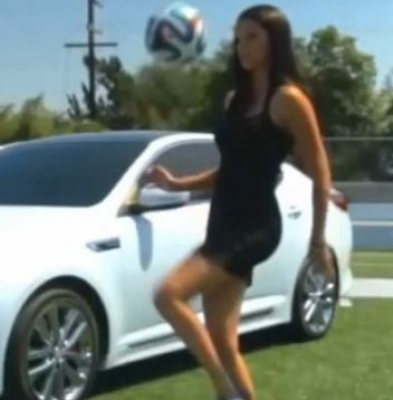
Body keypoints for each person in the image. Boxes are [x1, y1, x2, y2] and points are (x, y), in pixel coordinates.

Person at [144, 4, 335, 400]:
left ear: (274, 41)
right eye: (237, 38)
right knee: (223, 340)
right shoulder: (234, 99)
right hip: (222, 220)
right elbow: (229, 168)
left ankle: (223, 390)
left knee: (168, 295)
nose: (241, 46)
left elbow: (321, 174)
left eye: (252, 37)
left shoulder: (289, 99)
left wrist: (318, 243)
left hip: (255, 226)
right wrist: (177, 184)